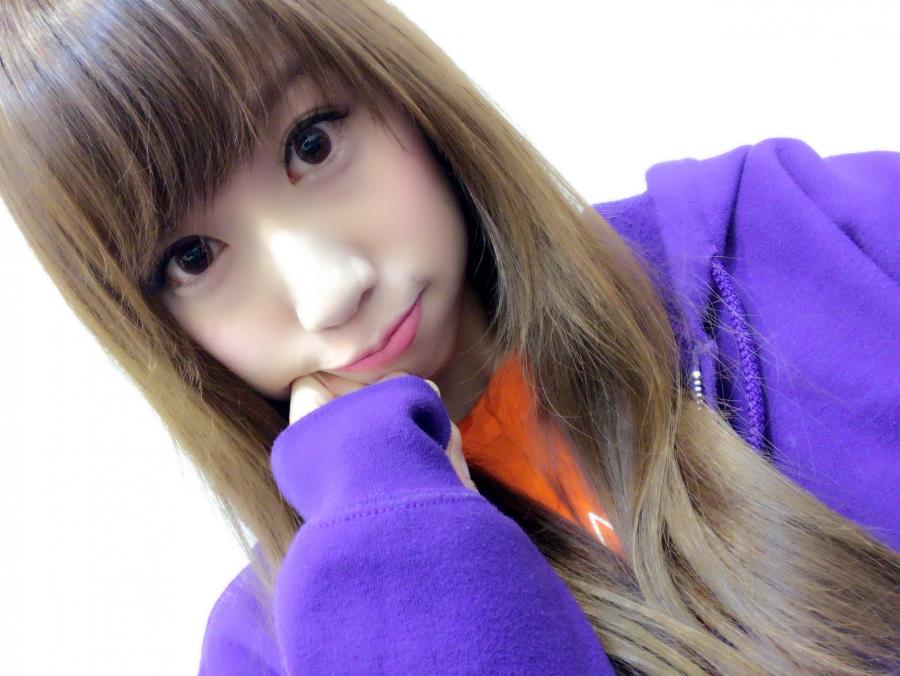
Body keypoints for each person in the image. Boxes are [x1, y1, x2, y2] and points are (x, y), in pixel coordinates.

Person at [0, 1, 897, 674]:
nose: (330, 291)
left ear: (404, 93)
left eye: (312, 145)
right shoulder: (271, 650)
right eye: (193, 257)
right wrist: (389, 520)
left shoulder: (803, 231)